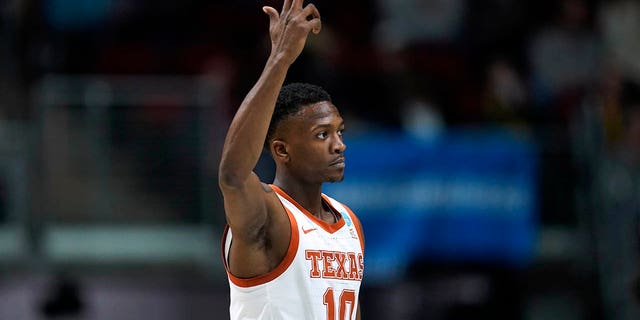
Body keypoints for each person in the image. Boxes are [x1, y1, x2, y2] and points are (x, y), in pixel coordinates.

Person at [217, 1, 365, 319]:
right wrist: (280, 60)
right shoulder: (267, 213)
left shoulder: (349, 223)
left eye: (339, 132)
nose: (339, 145)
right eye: (322, 135)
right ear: (282, 150)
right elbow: (233, 175)